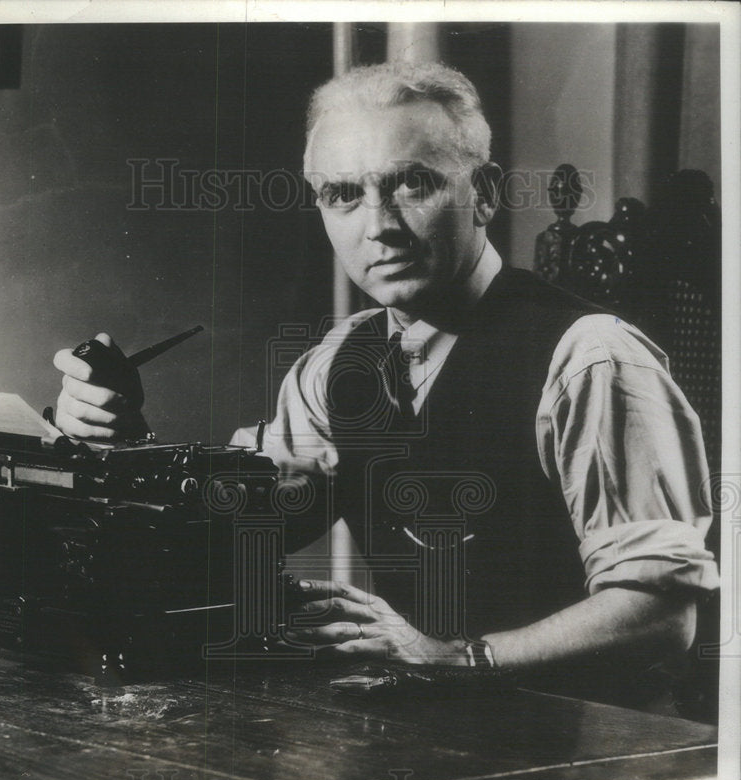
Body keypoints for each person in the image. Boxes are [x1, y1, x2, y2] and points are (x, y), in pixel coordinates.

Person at [52, 61, 719, 709]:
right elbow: (242, 529)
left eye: (413, 184)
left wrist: (450, 659)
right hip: (432, 735)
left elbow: (660, 615)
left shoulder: (589, 359)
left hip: (596, 758)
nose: (378, 227)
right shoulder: (342, 359)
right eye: (343, 195)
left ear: (485, 193)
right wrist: (121, 440)